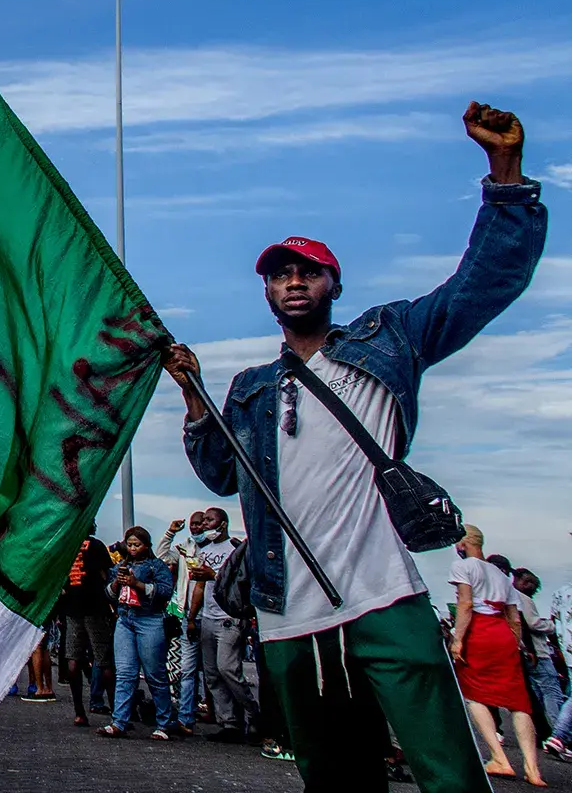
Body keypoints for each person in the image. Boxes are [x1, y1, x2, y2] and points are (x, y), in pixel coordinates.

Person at [163, 102, 546, 792]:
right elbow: (221, 474)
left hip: (384, 600)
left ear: (334, 284)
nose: (294, 282)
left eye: (307, 271)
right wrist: (193, 395)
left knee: (450, 775)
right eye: (280, 275)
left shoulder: (389, 340)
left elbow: (483, 285)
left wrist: (505, 174)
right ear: (268, 293)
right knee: (336, 781)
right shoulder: (252, 389)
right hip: (288, 616)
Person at [450, 527, 545, 785]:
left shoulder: (464, 567)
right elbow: (514, 618)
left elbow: (465, 604)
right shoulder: (501, 576)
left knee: (475, 695)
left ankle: (499, 757)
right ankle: (532, 767)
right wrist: (516, 644)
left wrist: (458, 639)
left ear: (464, 543)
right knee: (519, 702)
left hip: (479, 631)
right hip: (503, 634)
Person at [95, 526, 177, 740]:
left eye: (137, 545)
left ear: (146, 545)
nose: (132, 549)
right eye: (129, 544)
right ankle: (119, 721)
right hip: (125, 619)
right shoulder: (121, 566)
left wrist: (137, 584)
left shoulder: (156, 566)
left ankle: (164, 723)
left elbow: (166, 592)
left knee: (154, 674)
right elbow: (108, 595)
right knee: (125, 673)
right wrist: (117, 582)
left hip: (149, 619)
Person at [188, 507, 258, 743]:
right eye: (205, 520)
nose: (206, 524)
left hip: (230, 617)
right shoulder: (205, 551)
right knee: (212, 674)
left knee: (228, 668)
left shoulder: (236, 550)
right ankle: (229, 722)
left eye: (211, 520)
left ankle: (253, 712)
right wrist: (191, 617)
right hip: (208, 616)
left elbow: (240, 583)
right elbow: (199, 586)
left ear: (223, 524)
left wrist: (213, 575)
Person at [157, 511, 208, 734]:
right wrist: (170, 532)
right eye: (194, 524)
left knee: (219, 671)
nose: (197, 528)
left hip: (216, 614)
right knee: (187, 669)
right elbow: (161, 556)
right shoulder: (185, 548)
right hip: (187, 614)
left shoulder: (218, 550)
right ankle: (186, 717)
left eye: (202, 524)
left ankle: (230, 717)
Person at [60, 526, 116, 726]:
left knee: (73, 659)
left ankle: (79, 712)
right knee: (104, 659)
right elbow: (105, 576)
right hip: (95, 607)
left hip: (72, 607)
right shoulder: (96, 545)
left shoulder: (65, 545)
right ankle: (117, 714)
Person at [513, 568, 566, 731]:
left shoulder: (510, 598)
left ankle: (547, 730)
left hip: (524, 652)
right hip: (538, 652)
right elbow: (533, 623)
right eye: (528, 582)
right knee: (552, 692)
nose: (531, 587)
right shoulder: (523, 599)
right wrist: (554, 626)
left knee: (537, 693)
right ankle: (560, 732)